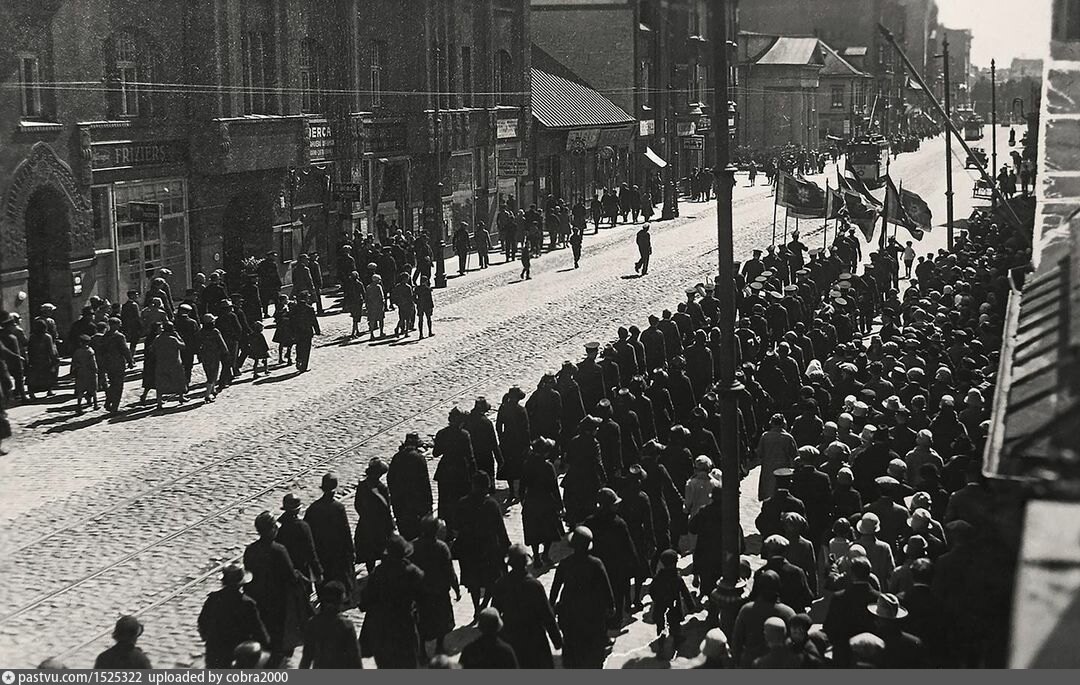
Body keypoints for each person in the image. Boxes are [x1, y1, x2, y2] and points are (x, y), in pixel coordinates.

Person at [243, 512, 309, 667]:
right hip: (277, 600)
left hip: (257, 598)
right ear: (271, 530)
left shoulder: (250, 550)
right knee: (277, 633)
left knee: (261, 628)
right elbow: (290, 576)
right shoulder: (279, 550)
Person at [549, 527, 614, 669]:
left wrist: (551, 607)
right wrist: (611, 606)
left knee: (571, 646)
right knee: (592, 648)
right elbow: (606, 588)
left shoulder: (565, 563)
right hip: (592, 613)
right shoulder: (596, 564)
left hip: (569, 612)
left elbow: (555, 589)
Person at [359, 534, 426, 668]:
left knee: (386, 662)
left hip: (384, 626)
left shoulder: (379, 572)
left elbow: (366, 599)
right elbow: (422, 597)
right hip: (405, 623)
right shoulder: (412, 572)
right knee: (407, 661)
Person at [491, 544, 563, 668]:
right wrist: (557, 640)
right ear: (525, 563)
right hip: (534, 637)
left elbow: (494, 613)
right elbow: (547, 615)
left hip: (511, 636)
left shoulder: (501, 584)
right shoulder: (534, 585)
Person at [454, 471, 511, 617]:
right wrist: (506, 546)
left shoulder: (463, 503)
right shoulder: (491, 504)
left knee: (473, 581)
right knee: (491, 579)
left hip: (468, 548)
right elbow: (500, 528)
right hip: (488, 548)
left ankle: (476, 608)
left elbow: (456, 526)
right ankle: (484, 604)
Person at [197, 564, 270, 668]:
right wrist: (266, 644)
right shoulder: (247, 603)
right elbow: (257, 629)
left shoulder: (213, 599)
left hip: (214, 651)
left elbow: (202, 622)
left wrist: (209, 639)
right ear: (241, 584)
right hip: (237, 653)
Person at [410, 515, 459, 658]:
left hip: (420, 592)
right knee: (442, 619)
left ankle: (422, 651)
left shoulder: (413, 546)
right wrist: (456, 588)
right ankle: (439, 647)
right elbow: (449, 571)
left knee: (421, 622)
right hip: (439, 590)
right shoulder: (441, 547)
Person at [304, 473, 356, 599]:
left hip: (320, 552)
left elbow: (307, 533)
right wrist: (351, 551)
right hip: (337, 553)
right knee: (337, 581)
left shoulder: (313, 508)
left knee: (323, 582)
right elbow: (345, 532)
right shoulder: (338, 508)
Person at [732, 570, 795, 667]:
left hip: (750, 663)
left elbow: (737, 641)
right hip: (778, 665)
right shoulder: (788, 613)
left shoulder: (747, 610)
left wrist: (737, 663)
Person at [520, 437, 564, 567]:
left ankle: (536, 558)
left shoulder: (527, 464)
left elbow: (522, 486)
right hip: (546, 502)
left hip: (531, 500)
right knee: (549, 530)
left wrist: (523, 500)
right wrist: (560, 505)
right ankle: (545, 554)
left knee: (534, 531)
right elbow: (554, 488)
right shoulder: (548, 467)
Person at [297, 580, 361, 669]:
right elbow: (355, 660)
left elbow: (306, 658)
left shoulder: (313, 623)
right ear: (341, 601)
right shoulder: (346, 625)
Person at [388, 433, 434, 540]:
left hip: (400, 502)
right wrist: (429, 504)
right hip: (416, 503)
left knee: (404, 531)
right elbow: (424, 483)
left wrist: (394, 496)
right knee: (417, 532)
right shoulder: (419, 458)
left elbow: (390, 479)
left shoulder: (397, 457)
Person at [353, 458, 394, 574]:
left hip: (365, 524)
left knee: (368, 552)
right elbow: (386, 509)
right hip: (379, 526)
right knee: (383, 549)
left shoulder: (362, 485)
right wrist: (390, 525)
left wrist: (365, 515)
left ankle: (370, 572)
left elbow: (357, 504)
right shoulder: (382, 488)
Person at [275, 494, 322, 596]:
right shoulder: (302, 526)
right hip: (301, 569)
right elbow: (310, 551)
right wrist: (317, 571)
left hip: (284, 570)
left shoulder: (278, 525)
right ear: (298, 510)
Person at [649, 548, 696, 645]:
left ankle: (661, 641)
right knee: (675, 625)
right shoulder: (677, 578)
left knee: (661, 625)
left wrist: (656, 599)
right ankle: (677, 639)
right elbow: (685, 593)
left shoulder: (658, 577)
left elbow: (651, 590)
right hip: (674, 607)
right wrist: (691, 606)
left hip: (660, 606)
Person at [150, 321, 187, 408]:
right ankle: (181, 397)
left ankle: (159, 402)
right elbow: (183, 346)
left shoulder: (157, 339)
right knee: (179, 380)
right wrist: (178, 336)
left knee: (160, 383)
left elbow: (152, 349)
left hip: (161, 363)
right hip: (174, 363)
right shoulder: (173, 339)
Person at [290, 292, 320, 372]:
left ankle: (299, 358)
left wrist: (292, 331)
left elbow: (291, 321)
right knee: (306, 348)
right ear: (306, 298)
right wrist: (317, 330)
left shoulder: (294, 308)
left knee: (299, 346)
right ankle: (304, 366)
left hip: (297, 331)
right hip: (307, 331)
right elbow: (314, 321)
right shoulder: (309, 308)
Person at [71, 334, 98, 414]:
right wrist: (96, 370)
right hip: (90, 372)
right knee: (93, 389)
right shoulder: (90, 351)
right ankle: (95, 404)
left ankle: (79, 406)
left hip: (80, 372)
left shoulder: (77, 352)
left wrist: (74, 370)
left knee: (80, 390)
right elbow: (93, 362)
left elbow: (74, 362)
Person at [365, 274, 386, 339]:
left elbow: (366, 297)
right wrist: (383, 304)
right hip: (378, 305)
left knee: (372, 320)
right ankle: (381, 332)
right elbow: (381, 296)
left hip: (371, 305)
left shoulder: (368, 287)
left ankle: (372, 334)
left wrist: (367, 305)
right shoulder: (378, 287)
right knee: (381, 319)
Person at [414, 275, 435, 339]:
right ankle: (430, 332)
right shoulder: (427, 289)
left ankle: (421, 334)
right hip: (427, 305)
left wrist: (417, 302)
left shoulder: (417, 288)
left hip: (420, 305)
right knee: (428, 319)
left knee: (420, 320)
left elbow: (414, 297)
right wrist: (432, 307)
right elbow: (430, 299)